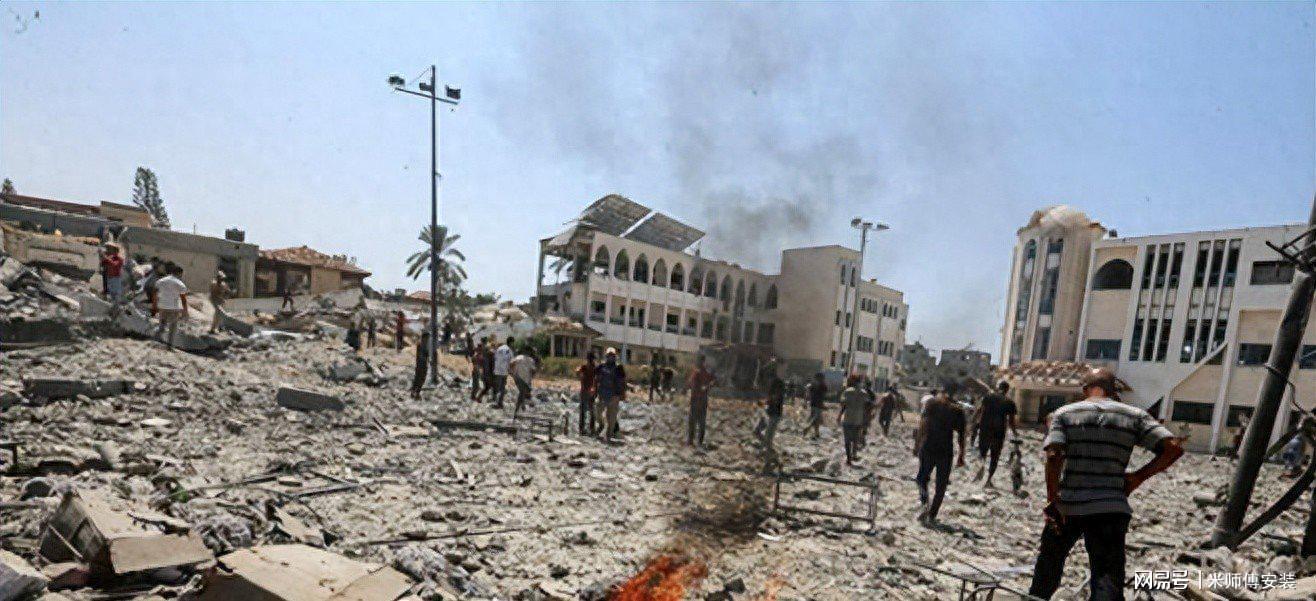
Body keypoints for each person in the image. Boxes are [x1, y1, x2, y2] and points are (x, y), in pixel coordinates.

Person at [1028, 368, 1182, 601]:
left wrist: (1053, 498)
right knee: (1106, 578)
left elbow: (1054, 455)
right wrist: (1138, 477)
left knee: (1047, 570)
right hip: (1111, 507)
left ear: (1085, 390)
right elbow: (1173, 449)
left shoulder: (1065, 413)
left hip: (1068, 506)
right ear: (1114, 391)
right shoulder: (1135, 415)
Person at [914, 389, 966, 526]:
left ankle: (925, 503)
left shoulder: (932, 405)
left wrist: (917, 444)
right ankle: (932, 515)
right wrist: (961, 455)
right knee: (941, 485)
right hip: (945, 450)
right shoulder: (957, 411)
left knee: (921, 479)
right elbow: (961, 435)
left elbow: (923, 425)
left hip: (929, 447)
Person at [973, 381, 1020, 488]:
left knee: (982, 453)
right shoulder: (1010, 402)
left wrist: (973, 423)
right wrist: (1015, 432)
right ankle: (988, 480)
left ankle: (980, 471)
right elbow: (1011, 422)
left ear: (998, 387)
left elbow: (979, 410)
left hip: (985, 429)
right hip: (999, 431)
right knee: (994, 456)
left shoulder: (988, 397)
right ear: (1007, 390)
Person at [152, 264, 189, 350]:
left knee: (162, 325)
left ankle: (155, 341)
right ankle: (169, 346)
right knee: (173, 327)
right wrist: (185, 311)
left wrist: (154, 305)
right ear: (180, 273)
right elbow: (183, 299)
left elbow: (155, 294)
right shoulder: (180, 284)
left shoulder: (160, 281)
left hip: (162, 306)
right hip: (173, 308)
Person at [596, 348, 627, 442]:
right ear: (606, 356)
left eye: (612, 356)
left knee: (612, 418)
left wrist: (623, 394)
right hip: (602, 395)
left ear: (615, 357)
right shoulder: (601, 366)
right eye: (609, 356)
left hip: (614, 396)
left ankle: (608, 436)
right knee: (598, 413)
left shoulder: (619, 368)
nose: (610, 357)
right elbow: (596, 378)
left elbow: (623, 381)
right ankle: (601, 426)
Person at [838, 375, 869, 464]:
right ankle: (854, 454)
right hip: (858, 419)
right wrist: (866, 419)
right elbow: (867, 406)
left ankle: (848, 459)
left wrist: (839, 415)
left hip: (848, 418)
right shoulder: (864, 393)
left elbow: (843, 404)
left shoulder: (848, 391)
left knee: (847, 440)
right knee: (855, 439)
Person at [753, 368, 786, 450]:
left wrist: (765, 402)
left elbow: (775, 397)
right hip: (770, 411)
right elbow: (772, 398)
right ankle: (764, 445)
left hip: (775, 413)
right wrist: (764, 403)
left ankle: (766, 448)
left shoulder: (777, 384)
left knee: (769, 434)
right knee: (760, 430)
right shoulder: (773, 384)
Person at [687, 355, 715, 447]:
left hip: (696, 400)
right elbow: (713, 381)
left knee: (693, 421)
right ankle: (699, 442)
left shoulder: (697, 373)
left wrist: (705, 387)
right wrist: (708, 386)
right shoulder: (705, 373)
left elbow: (691, 385)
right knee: (701, 422)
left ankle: (691, 441)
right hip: (702, 400)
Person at [510, 348, 538, 419]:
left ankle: (522, 408)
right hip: (524, 379)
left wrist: (512, 372)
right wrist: (532, 376)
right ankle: (516, 412)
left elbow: (511, 363)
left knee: (523, 393)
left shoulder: (519, 357)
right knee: (522, 393)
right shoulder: (530, 360)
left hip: (517, 377)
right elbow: (533, 370)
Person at [576, 352, 598, 435]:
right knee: (587, 411)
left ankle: (587, 429)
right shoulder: (586, 367)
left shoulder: (592, 367)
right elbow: (577, 372)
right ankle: (586, 429)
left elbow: (577, 372)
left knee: (589, 412)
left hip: (588, 392)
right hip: (587, 392)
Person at [491, 336, 514, 408]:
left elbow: (495, 358)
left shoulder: (499, 348)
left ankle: (496, 402)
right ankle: (499, 403)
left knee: (497, 387)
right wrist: (511, 371)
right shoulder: (509, 351)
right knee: (502, 388)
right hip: (504, 372)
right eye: (513, 343)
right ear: (511, 342)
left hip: (497, 371)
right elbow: (512, 362)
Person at [804, 372, 827, 439]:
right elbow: (823, 396)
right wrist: (823, 405)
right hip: (818, 405)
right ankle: (807, 428)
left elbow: (807, 394)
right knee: (816, 419)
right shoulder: (823, 386)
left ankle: (817, 433)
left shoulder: (812, 385)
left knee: (816, 419)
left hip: (813, 404)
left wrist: (805, 402)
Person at [410, 330, 431, 399]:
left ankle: (417, 392)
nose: (428, 339)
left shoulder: (426, 345)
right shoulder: (420, 345)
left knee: (422, 379)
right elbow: (420, 356)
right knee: (418, 378)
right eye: (427, 338)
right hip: (420, 364)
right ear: (424, 337)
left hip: (424, 364)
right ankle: (414, 392)